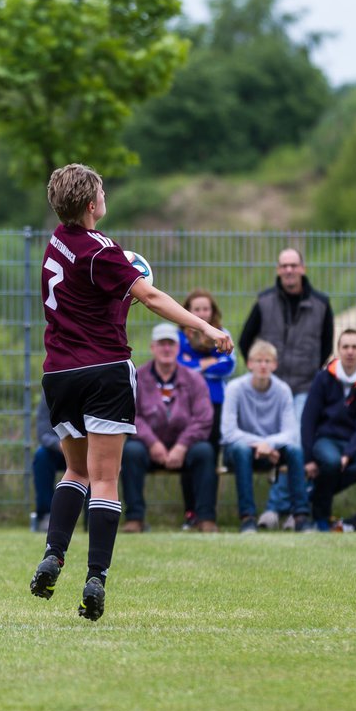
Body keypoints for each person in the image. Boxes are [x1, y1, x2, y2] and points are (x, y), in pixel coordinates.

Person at [29, 164, 232, 622]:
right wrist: (204, 326)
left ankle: (53, 554)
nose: (105, 196)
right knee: (104, 479)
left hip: (59, 372)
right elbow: (154, 297)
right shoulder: (104, 251)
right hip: (103, 371)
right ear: (90, 205)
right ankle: (95, 577)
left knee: (74, 472)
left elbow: (84, 299)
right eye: (101, 191)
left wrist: (119, 299)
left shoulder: (54, 244)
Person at [237, 248, 333, 521]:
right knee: (285, 445)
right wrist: (262, 371)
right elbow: (245, 340)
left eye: (293, 265)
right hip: (272, 388)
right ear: (278, 270)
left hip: (304, 388)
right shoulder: (264, 302)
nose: (289, 270)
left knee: (295, 443)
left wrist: (310, 371)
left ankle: (277, 508)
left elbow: (326, 345)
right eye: (284, 266)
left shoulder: (321, 304)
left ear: (302, 268)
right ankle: (285, 509)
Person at [121, 323, 218, 533]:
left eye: (171, 344)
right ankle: (135, 518)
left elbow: (203, 418)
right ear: (152, 347)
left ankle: (205, 518)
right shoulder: (138, 377)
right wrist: (152, 443)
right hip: (148, 446)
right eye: (161, 344)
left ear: (177, 348)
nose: (166, 349)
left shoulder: (194, 379)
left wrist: (182, 446)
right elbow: (131, 415)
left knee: (205, 451)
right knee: (130, 451)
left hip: (185, 447)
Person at [221, 340, 311, 533]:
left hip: (272, 451)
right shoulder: (235, 388)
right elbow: (228, 432)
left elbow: (290, 432)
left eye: (268, 361)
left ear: (275, 365)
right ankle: (248, 519)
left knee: (295, 450)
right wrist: (259, 444)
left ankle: (301, 517)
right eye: (258, 360)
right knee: (241, 448)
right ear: (249, 363)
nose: (263, 365)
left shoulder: (283, 390)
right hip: (240, 451)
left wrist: (268, 445)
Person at [301, 329, 356, 531]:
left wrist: (348, 454)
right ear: (338, 350)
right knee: (329, 462)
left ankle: (317, 491)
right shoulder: (323, 377)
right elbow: (308, 419)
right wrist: (308, 459)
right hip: (326, 439)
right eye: (345, 347)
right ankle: (321, 518)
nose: (350, 352)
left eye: (354, 347)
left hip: (351, 442)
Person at [177, 288, 235, 452]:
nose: (201, 313)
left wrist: (194, 363)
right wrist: (209, 361)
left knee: (212, 447)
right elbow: (179, 367)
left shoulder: (221, 334)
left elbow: (227, 365)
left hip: (215, 398)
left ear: (212, 311)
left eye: (205, 309)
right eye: (197, 309)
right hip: (186, 400)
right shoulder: (179, 336)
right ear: (188, 311)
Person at [31, 397, 66, 532]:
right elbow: (43, 434)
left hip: (85, 449)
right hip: (58, 449)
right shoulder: (50, 392)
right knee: (41, 456)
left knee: (95, 460)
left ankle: (93, 517)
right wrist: (60, 445)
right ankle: (46, 514)